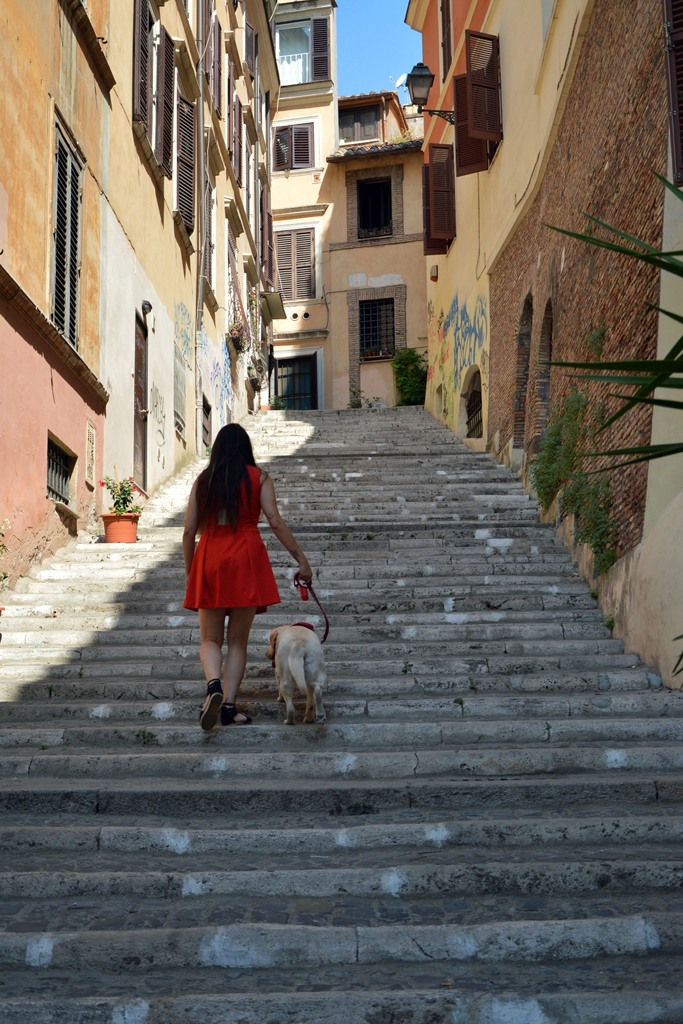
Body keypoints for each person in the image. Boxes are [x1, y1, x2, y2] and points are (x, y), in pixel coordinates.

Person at [183, 423, 313, 731]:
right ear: (246, 448)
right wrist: (302, 560)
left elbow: (189, 531)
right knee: (237, 642)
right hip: (246, 556)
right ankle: (228, 706)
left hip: (211, 555)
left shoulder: (204, 480)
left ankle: (213, 685)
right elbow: (275, 521)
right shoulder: (260, 478)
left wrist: (191, 572)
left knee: (210, 639)